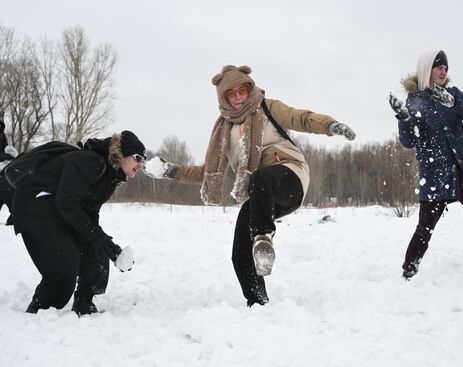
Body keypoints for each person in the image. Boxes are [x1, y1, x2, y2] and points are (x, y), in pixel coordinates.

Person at [146, 65, 356, 306]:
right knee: (240, 254)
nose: (237, 97)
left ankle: (263, 236)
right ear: (223, 97)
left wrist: (330, 125)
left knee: (261, 178)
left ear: (249, 89)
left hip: (290, 175)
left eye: (241, 91)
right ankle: (258, 303)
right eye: (230, 93)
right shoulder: (223, 131)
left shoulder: (267, 107)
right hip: (260, 197)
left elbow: (301, 118)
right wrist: (171, 171)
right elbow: (207, 172)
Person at [10, 130, 146, 315]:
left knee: (95, 248)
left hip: (57, 210)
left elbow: (89, 213)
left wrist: (108, 247)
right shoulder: (91, 162)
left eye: (143, 161)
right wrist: (99, 239)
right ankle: (39, 312)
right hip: (34, 208)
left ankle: (84, 302)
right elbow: (66, 203)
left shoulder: (110, 176)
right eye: (138, 158)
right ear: (123, 153)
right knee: (64, 266)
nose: (140, 165)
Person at [388, 50, 463, 279]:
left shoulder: (452, 93)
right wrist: (404, 118)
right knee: (424, 230)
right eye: (439, 67)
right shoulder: (414, 102)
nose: (443, 71)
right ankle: (408, 273)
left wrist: (455, 103)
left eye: (445, 68)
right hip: (435, 175)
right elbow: (409, 141)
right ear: (427, 70)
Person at [0, 119, 18, 225]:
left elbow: (5, 147)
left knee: (10, 199)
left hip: (4, 176)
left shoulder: (2, 135)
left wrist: (9, 154)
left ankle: (13, 220)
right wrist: (6, 156)